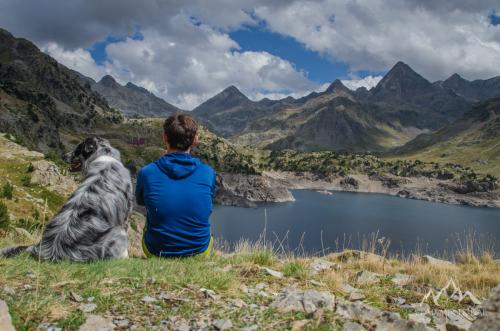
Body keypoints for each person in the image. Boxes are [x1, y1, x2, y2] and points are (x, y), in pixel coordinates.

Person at [135, 114, 216, 257]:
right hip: (200, 251)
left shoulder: (146, 172)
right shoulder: (208, 173)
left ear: (165, 137)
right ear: (195, 140)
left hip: (155, 251)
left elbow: (141, 201)